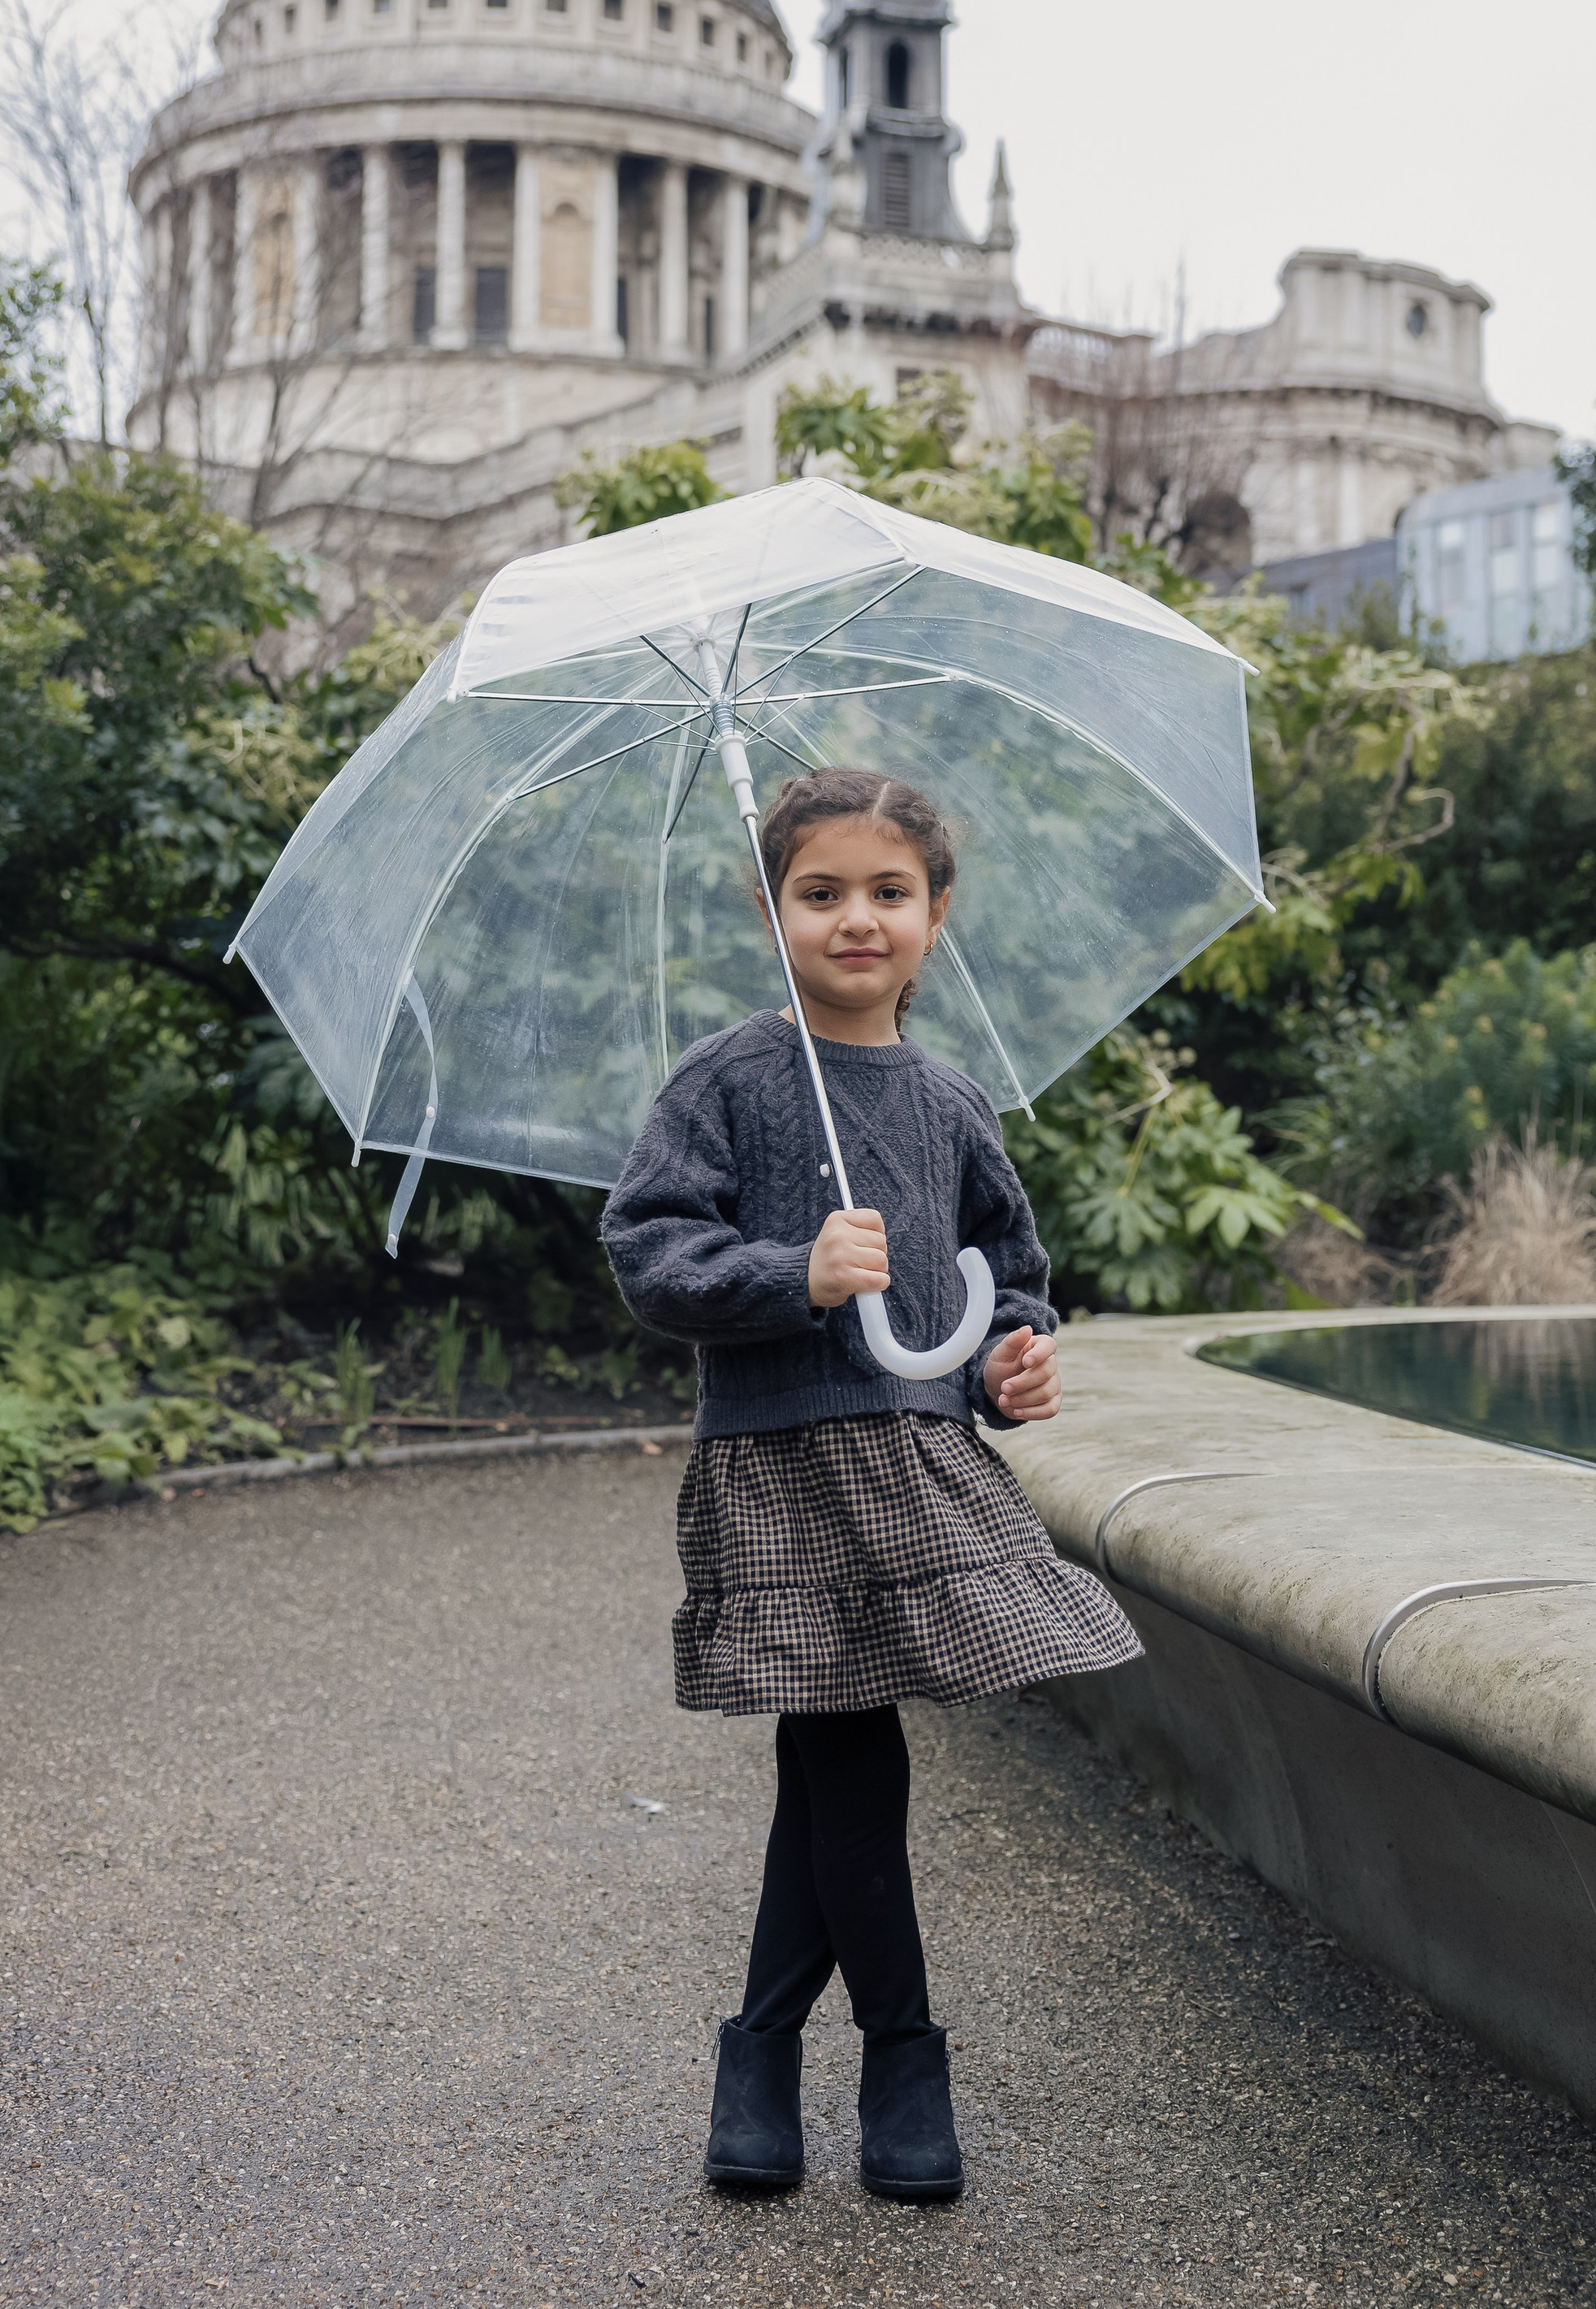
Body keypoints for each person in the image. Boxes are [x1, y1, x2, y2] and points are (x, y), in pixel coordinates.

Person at [600, 765, 1140, 2205]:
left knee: (830, 1767)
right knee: (847, 1758)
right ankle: (898, 2054)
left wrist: (1013, 1366)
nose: (857, 919)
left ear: (935, 916)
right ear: (769, 909)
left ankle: (766, 2057)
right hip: (780, 1465)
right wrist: (794, 1270)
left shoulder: (950, 1102)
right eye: (821, 892)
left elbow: (1003, 1280)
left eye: (887, 893)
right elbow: (651, 1251)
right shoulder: (728, 1080)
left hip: (908, 1464)